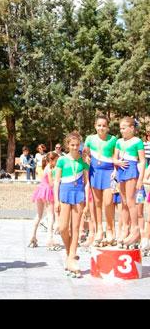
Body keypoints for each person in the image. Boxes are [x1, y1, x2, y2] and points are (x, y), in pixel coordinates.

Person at [54, 131, 89, 278]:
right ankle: (69, 252)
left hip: (79, 194)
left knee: (75, 228)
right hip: (64, 193)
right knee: (62, 227)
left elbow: (87, 183)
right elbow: (56, 181)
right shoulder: (61, 160)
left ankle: (73, 256)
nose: (75, 147)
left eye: (77, 145)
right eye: (72, 145)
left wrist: (87, 202)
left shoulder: (83, 162)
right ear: (67, 145)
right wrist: (56, 200)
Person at [83, 114, 118, 247]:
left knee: (108, 202)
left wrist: (115, 170)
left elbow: (116, 155)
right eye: (99, 125)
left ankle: (110, 230)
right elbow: (85, 153)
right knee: (97, 203)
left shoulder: (113, 139)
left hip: (109, 172)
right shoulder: (90, 138)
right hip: (95, 172)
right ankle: (99, 230)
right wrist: (86, 157)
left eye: (104, 125)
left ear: (108, 127)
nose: (101, 128)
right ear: (95, 126)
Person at [113, 117, 145, 249]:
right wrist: (116, 162)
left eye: (124, 128)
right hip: (121, 170)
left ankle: (135, 229)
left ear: (132, 128)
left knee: (131, 201)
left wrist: (140, 178)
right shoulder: (119, 141)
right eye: (120, 128)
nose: (122, 130)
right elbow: (114, 158)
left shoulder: (137, 141)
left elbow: (142, 161)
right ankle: (125, 228)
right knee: (123, 202)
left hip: (131, 169)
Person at [28, 152, 61, 250]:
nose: (57, 162)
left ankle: (33, 236)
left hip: (40, 190)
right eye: (56, 160)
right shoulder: (49, 169)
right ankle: (49, 238)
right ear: (52, 160)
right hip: (47, 191)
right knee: (51, 216)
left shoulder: (46, 168)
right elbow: (51, 184)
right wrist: (58, 180)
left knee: (39, 215)